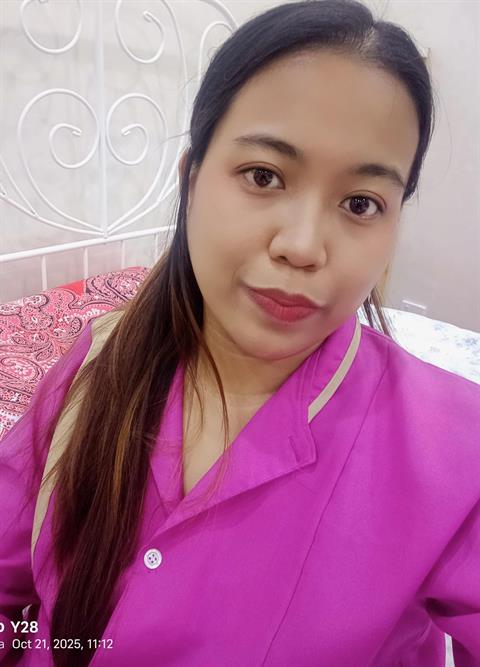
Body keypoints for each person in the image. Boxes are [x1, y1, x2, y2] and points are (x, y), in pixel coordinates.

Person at [0, 0, 479, 665]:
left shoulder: (455, 449)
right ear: (190, 181)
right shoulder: (94, 364)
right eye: (263, 175)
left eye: (361, 202)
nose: (302, 246)